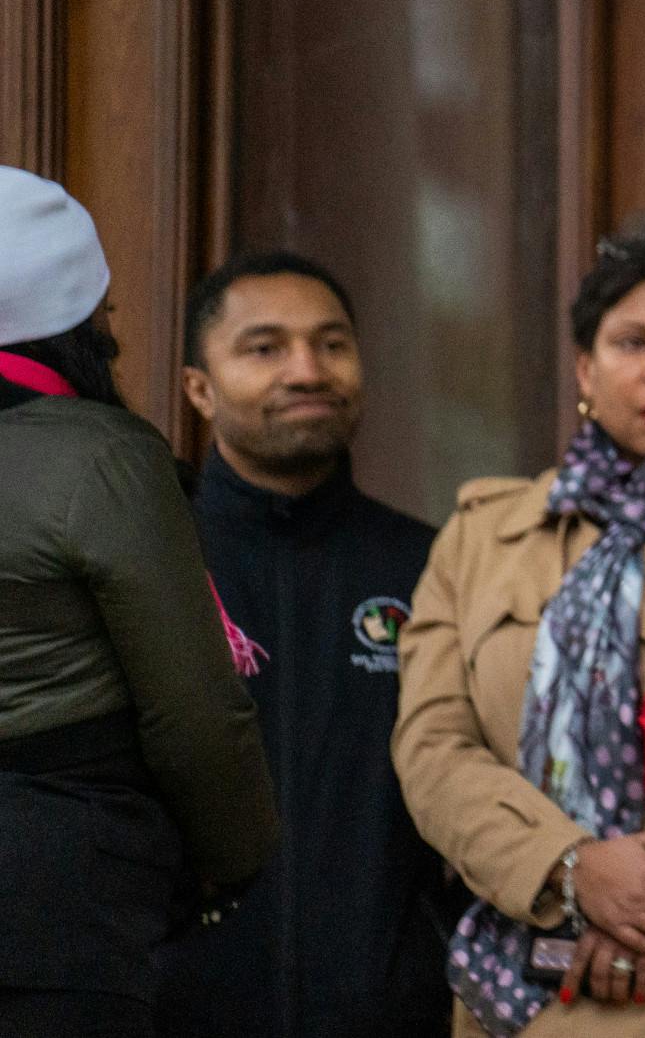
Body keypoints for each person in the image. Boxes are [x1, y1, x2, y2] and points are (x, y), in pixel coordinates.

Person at [394, 233, 645, 1037]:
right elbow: (432, 748)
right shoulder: (480, 537)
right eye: (633, 342)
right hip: (529, 984)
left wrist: (643, 887)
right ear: (586, 367)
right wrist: (570, 868)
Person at [0, 166, 278, 1036]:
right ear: (74, 324)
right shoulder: (103, 458)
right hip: (56, 899)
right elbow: (194, 711)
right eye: (106, 313)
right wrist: (236, 861)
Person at [154, 252, 455, 1037]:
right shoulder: (149, 560)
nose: (308, 369)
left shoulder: (434, 564)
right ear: (199, 387)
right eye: (265, 347)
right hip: (172, 1011)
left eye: (332, 344)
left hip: (388, 1013)